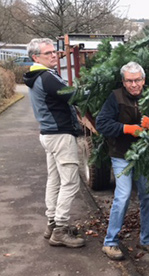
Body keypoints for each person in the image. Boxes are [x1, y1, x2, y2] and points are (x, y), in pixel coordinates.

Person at [96, 61, 149, 260]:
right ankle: (110, 242)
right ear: (123, 82)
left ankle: (146, 239)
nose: (134, 85)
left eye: (137, 80)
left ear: (144, 80)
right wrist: (127, 128)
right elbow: (102, 123)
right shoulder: (115, 98)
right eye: (129, 81)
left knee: (148, 197)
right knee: (123, 196)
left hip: (144, 156)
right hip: (121, 155)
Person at [23, 38, 85, 248]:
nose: (54, 55)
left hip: (48, 134)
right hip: (60, 135)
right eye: (48, 53)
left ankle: (52, 222)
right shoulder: (47, 78)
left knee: (55, 179)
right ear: (35, 57)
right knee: (70, 182)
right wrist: (92, 90)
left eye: (54, 52)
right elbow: (73, 96)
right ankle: (60, 229)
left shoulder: (35, 76)